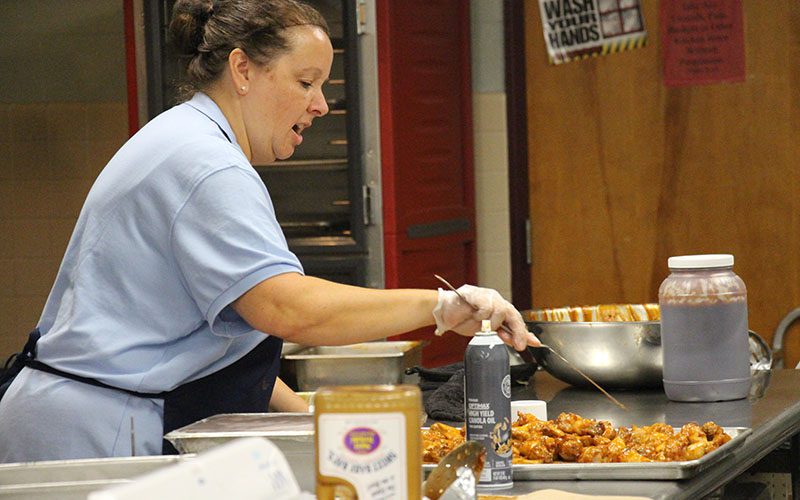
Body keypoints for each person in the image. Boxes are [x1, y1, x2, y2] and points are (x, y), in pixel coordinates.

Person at [0, 0, 538, 463]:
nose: (322, 104)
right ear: (242, 69)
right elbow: (286, 308)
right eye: (305, 82)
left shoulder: (190, 138)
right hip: (93, 436)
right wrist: (441, 308)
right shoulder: (208, 164)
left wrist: (310, 417)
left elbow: (214, 344)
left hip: (91, 416)